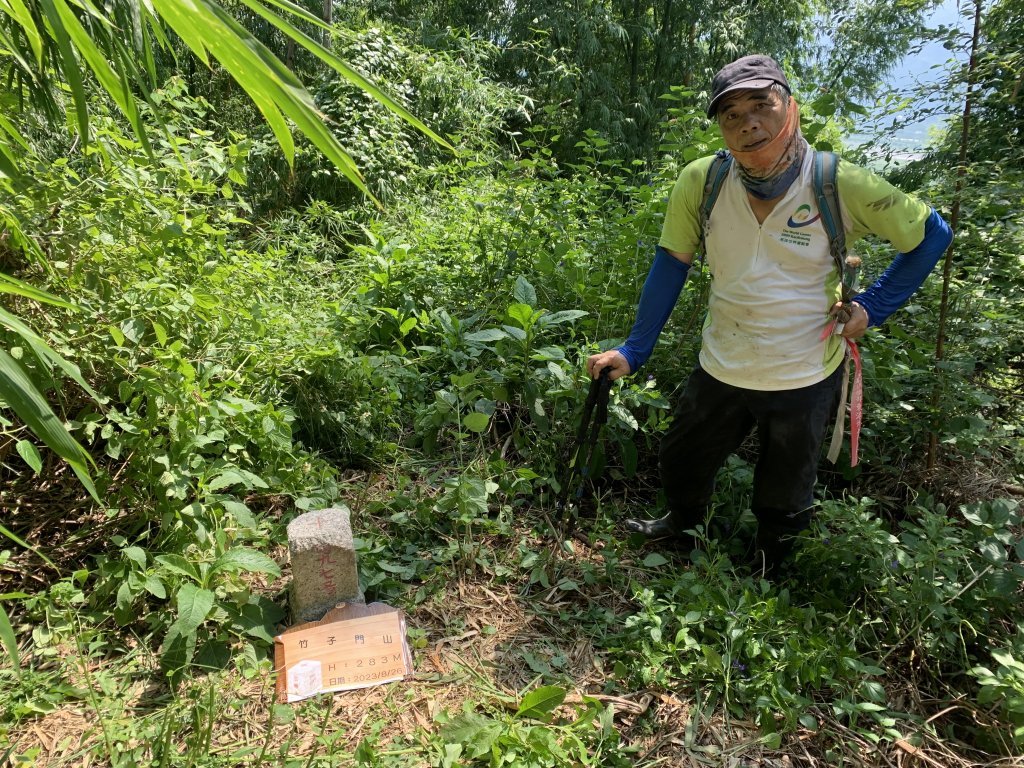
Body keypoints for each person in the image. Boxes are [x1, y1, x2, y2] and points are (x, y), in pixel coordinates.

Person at [586, 54, 953, 572]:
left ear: (791, 109)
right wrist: (634, 349)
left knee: (786, 484)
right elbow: (671, 263)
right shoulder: (703, 181)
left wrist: (873, 306)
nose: (748, 123)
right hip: (722, 361)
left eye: (761, 105)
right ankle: (681, 529)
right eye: (731, 114)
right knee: (683, 458)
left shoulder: (836, 182)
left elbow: (930, 234)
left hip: (803, 371)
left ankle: (771, 565)